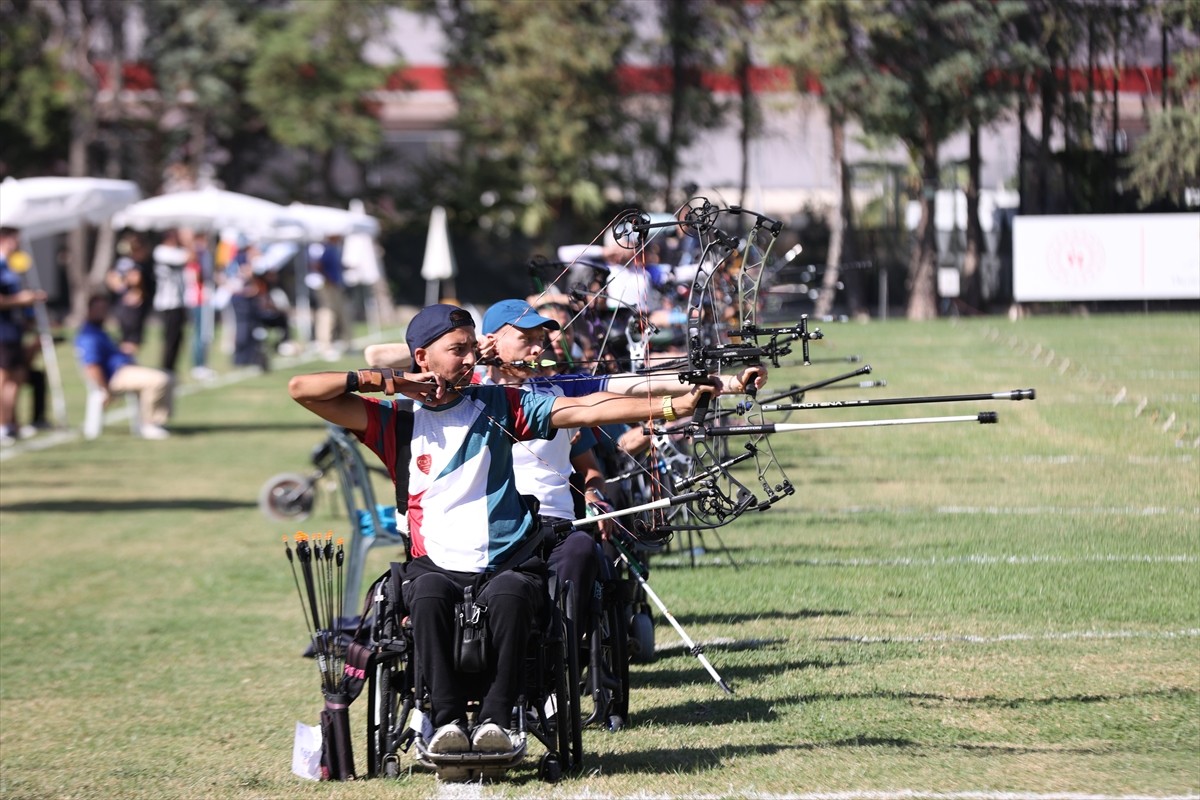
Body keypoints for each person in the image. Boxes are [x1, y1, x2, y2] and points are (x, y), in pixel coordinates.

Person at [288, 303, 711, 757]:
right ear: (422, 357)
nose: (471, 359)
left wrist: (670, 405)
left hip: (505, 562)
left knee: (512, 597)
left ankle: (498, 718)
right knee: (427, 598)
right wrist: (387, 382)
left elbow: (584, 409)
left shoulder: (499, 403)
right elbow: (303, 389)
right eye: (458, 350)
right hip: (434, 565)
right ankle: (445, 722)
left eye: (474, 348)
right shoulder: (398, 421)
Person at [75, 293, 174, 440]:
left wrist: (124, 351)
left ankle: (158, 420)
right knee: (159, 380)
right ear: (89, 310)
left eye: (104, 309)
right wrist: (105, 389)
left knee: (170, 376)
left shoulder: (101, 331)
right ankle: (149, 424)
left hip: (124, 370)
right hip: (115, 376)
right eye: (98, 309)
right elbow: (91, 366)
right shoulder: (88, 335)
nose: (102, 312)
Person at [0, 226, 45, 446]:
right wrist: (22, 299)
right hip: (2, 332)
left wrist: (29, 314)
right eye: (13, 239)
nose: (17, 243)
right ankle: (3, 425)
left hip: (13, 331)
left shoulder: (13, 265)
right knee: (4, 379)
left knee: (16, 378)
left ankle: (11, 424)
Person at [105, 233, 154, 357]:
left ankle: (125, 362)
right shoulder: (133, 264)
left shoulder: (119, 263)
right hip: (131, 307)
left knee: (126, 337)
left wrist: (120, 288)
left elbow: (111, 280)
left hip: (121, 306)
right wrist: (135, 291)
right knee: (132, 340)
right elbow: (135, 279)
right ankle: (127, 363)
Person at [152, 229, 189, 377]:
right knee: (170, 337)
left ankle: (170, 367)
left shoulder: (173, 251)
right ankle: (166, 367)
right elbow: (189, 257)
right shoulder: (162, 251)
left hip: (178, 301)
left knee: (178, 337)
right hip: (168, 302)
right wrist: (187, 241)